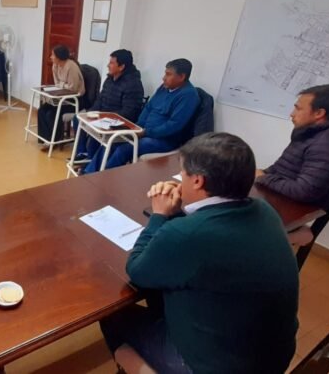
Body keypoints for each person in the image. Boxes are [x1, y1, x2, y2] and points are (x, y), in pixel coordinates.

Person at [100, 133, 299, 374]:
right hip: (273, 358)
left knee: (113, 314)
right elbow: (205, 240)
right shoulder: (264, 210)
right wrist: (177, 212)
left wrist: (159, 215)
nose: (179, 179)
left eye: (182, 173)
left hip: (213, 367)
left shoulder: (186, 234)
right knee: (168, 291)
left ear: (197, 182)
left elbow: (137, 270)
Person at [82, 58, 199, 174]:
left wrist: (145, 132)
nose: (163, 78)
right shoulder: (164, 88)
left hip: (164, 140)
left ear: (182, 77)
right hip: (143, 131)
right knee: (111, 141)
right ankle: (89, 172)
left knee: (123, 149)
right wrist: (137, 127)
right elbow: (148, 107)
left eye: (168, 74)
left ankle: (102, 178)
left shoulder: (188, 96)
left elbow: (174, 125)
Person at [255, 84, 329, 210]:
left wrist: (263, 178)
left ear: (319, 113)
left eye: (298, 109)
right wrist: (260, 175)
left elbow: (303, 192)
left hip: (294, 208)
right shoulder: (311, 132)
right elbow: (282, 168)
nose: (292, 114)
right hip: (279, 196)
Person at [71, 49, 144, 162]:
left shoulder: (133, 84)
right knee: (78, 118)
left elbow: (129, 112)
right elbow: (100, 99)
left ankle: (91, 161)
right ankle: (83, 152)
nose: (108, 65)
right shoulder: (110, 79)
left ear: (121, 67)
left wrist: (104, 117)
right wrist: (91, 113)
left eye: (111, 63)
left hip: (119, 122)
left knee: (96, 133)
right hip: (104, 117)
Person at [37, 45, 84, 148]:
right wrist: (63, 85)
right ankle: (45, 139)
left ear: (59, 57)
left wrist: (62, 85)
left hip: (75, 99)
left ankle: (54, 140)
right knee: (42, 110)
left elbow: (73, 88)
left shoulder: (71, 66)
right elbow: (56, 84)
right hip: (62, 96)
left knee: (51, 113)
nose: (51, 57)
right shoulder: (55, 65)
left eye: (53, 55)